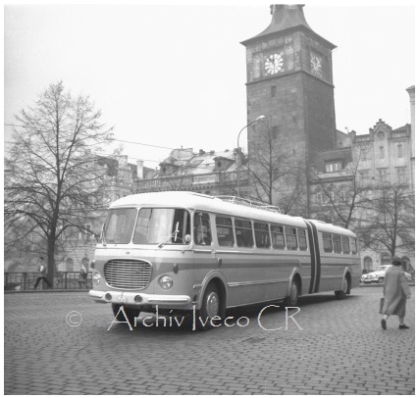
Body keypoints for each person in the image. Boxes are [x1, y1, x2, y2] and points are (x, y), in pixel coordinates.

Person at [381, 256, 411, 330]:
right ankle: (401, 324)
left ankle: (384, 319)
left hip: (389, 292)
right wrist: (407, 293)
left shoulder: (388, 271)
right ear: (399, 263)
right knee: (401, 308)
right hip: (399, 293)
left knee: (389, 307)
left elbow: (385, 282)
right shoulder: (400, 272)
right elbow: (403, 283)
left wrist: (384, 291)